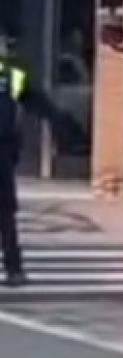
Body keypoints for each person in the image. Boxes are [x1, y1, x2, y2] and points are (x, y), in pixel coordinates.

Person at [0, 35, 69, 288]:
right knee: (5, 213)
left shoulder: (10, 74)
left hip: (3, 150)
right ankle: (14, 268)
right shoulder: (10, 74)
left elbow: (35, 99)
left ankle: (14, 268)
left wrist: (58, 119)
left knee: (5, 212)